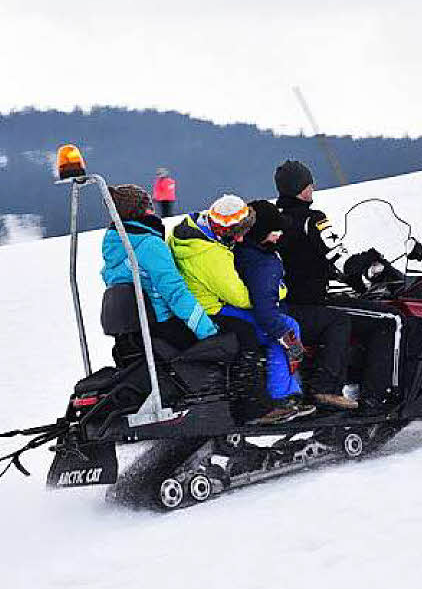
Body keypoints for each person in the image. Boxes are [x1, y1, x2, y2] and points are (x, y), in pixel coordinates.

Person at [275, 160, 408, 413]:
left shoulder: (277, 221)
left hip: (288, 303)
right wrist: (370, 264)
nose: (312, 188)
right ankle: (378, 398)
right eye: (308, 183)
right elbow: (339, 257)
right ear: (302, 188)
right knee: (392, 320)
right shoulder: (313, 221)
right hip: (314, 302)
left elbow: (304, 262)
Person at [169, 194, 315, 424]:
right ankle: (279, 399)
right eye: (235, 234)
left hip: (203, 302)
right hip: (214, 309)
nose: (239, 239)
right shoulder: (210, 255)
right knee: (282, 329)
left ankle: (285, 391)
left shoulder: (190, 233)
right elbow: (240, 297)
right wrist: (279, 290)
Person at [233, 201, 356, 411]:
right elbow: (266, 311)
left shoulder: (250, 251)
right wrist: (292, 342)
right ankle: (324, 389)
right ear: (261, 233)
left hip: (276, 311)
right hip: (277, 318)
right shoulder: (263, 265)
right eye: (275, 232)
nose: (279, 235)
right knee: (338, 321)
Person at [101, 184, 217, 351]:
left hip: (135, 332)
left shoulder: (115, 245)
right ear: (143, 211)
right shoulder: (149, 245)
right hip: (162, 325)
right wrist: (208, 332)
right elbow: (175, 292)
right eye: (149, 206)